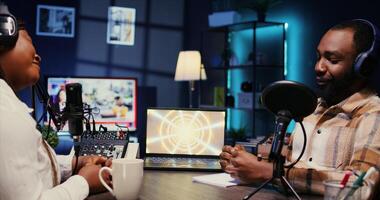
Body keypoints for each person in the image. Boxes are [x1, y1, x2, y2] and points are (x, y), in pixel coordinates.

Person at [220, 19, 380, 199]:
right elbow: (291, 161)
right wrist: (242, 162)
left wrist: (270, 172)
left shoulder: (373, 115)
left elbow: (362, 186)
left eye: (332, 59)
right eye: (319, 57)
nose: (318, 67)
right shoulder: (313, 108)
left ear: (363, 66)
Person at [0, 5, 111, 200]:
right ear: (4, 36)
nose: (38, 55)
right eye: (29, 40)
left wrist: (74, 164)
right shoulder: (5, 113)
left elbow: (26, 166)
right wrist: (83, 182)